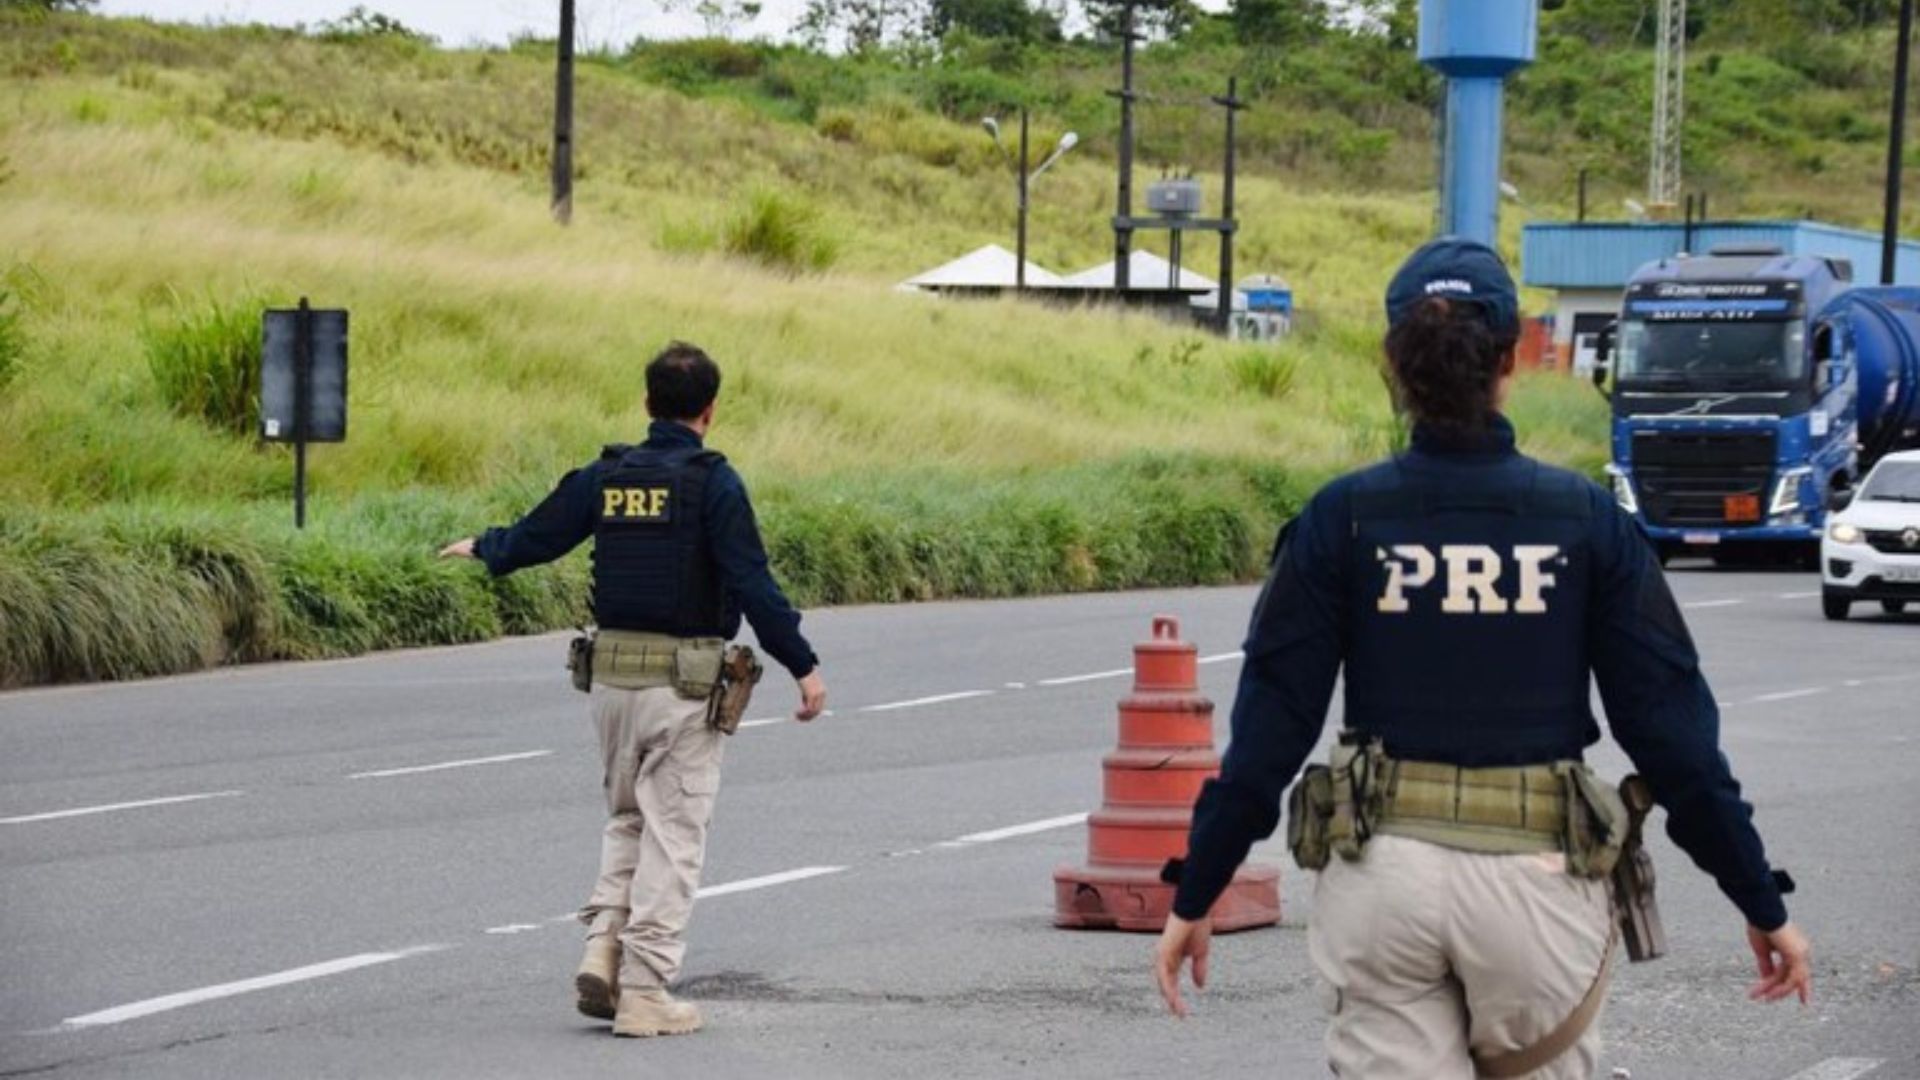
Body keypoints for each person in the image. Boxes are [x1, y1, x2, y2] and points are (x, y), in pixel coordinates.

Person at [1151, 239, 1812, 1078]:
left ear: (1394, 363)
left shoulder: (1341, 521)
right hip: (1536, 883)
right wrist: (1759, 899)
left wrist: (1197, 891)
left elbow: (1268, 737)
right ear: (1511, 360)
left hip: (1381, 881)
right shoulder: (1587, 522)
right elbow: (1673, 738)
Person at [441, 341, 827, 1039]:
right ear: (710, 411)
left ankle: (603, 952)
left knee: (627, 820)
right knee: (675, 834)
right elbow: (751, 583)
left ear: (648, 404)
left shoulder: (608, 476)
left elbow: (541, 533)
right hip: (682, 687)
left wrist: (486, 546)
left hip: (610, 682)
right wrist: (802, 665)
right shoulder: (714, 484)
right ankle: (645, 991)